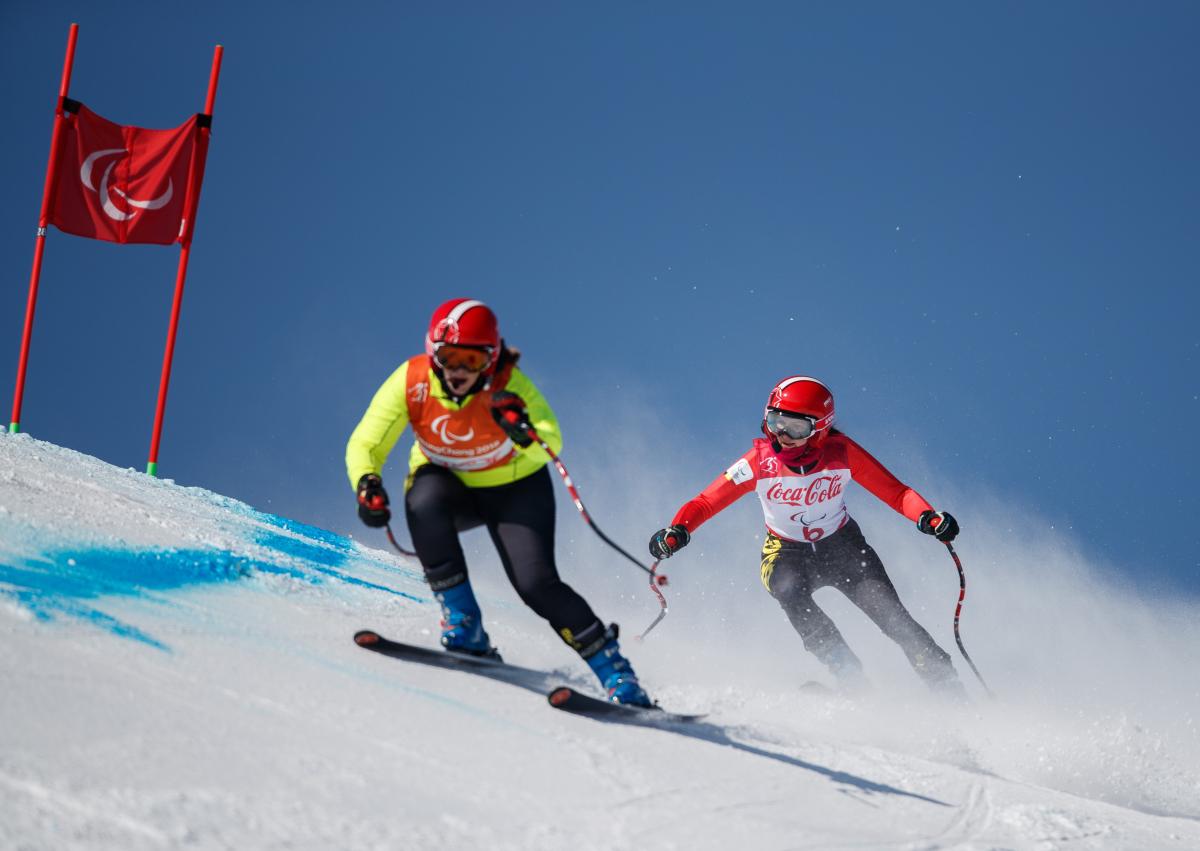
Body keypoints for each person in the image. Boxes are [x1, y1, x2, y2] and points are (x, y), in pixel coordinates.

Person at [346, 298, 651, 706]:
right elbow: (367, 441)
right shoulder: (412, 380)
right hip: (450, 489)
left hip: (516, 492)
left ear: (490, 361)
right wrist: (366, 484)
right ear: (432, 354)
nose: (458, 371)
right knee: (423, 499)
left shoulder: (509, 386)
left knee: (536, 585)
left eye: (471, 360)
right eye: (449, 357)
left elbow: (552, 441)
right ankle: (465, 625)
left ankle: (617, 675)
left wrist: (522, 431)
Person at [648, 375, 967, 699]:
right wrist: (679, 529)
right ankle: (849, 677)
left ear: (820, 429)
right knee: (786, 588)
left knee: (891, 616)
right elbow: (706, 502)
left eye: (795, 428)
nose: (782, 435)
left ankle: (948, 688)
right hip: (786, 552)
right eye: (775, 422)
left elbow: (897, 493)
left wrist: (928, 517)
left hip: (844, 547)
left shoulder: (842, 453)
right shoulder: (759, 462)